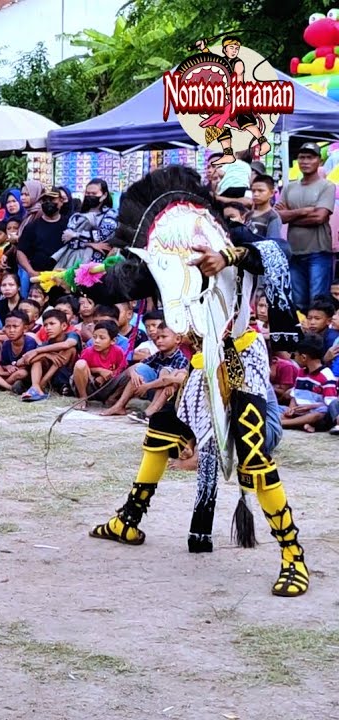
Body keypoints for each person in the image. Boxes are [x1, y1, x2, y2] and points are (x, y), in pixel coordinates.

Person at [86, 165, 308, 597]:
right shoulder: (181, 243)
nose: (236, 210)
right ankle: (128, 521)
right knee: (162, 427)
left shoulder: (251, 241)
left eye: (244, 200)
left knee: (253, 457)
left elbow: (277, 255)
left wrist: (227, 256)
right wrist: (83, 282)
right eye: (227, 202)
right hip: (203, 361)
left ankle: (293, 556)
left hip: (240, 359)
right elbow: (131, 281)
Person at [276, 143, 335, 308]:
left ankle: (317, 335)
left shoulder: (327, 186)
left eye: (310, 157)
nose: (305, 161)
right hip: (293, 253)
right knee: (298, 303)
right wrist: (304, 211)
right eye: (302, 157)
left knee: (318, 302)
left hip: (319, 252)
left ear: (319, 161)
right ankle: (303, 334)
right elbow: (278, 217)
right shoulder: (289, 187)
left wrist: (291, 214)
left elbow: (319, 217)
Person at [18, 308, 81, 401]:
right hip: (52, 381)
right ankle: (35, 387)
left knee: (69, 349)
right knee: (38, 358)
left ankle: (41, 385)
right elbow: (20, 363)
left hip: (69, 377)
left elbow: (67, 344)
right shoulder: (46, 343)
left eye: (52, 324)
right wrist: (45, 355)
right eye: (45, 325)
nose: (48, 328)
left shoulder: (72, 335)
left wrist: (37, 351)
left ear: (63, 326)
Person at [281, 333, 338, 432]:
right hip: (298, 411)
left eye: (296, 354)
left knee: (319, 414)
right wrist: (291, 408)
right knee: (277, 409)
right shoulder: (301, 372)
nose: (294, 357)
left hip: (315, 411)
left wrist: (310, 406)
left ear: (303, 357)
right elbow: (295, 394)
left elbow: (330, 403)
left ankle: (284, 423)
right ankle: (298, 423)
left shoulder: (326, 376)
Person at [73, 319, 128, 406]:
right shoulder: (88, 351)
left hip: (108, 385)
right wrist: (99, 371)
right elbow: (80, 370)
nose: (97, 341)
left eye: (102, 338)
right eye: (94, 337)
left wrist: (108, 375)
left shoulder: (118, 351)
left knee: (129, 374)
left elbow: (121, 369)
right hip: (90, 385)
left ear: (113, 341)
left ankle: (113, 398)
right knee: (80, 364)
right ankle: (83, 398)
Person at [16, 189, 68, 279]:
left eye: (52, 199)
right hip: (39, 277)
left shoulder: (70, 224)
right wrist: (30, 271)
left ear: (61, 201)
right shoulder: (32, 227)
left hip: (64, 276)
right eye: (44, 200)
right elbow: (21, 251)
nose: (48, 203)